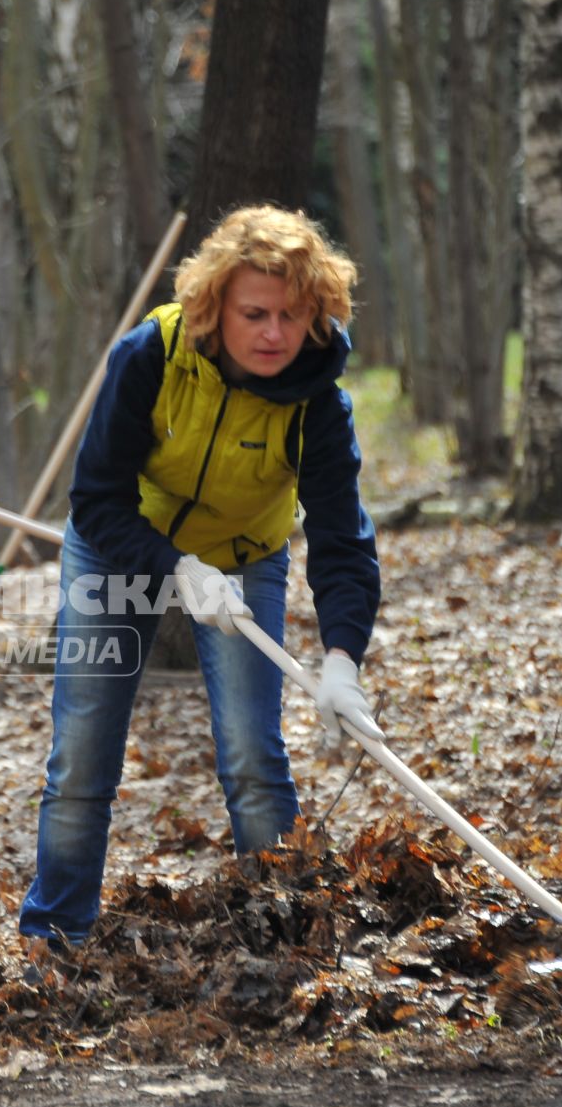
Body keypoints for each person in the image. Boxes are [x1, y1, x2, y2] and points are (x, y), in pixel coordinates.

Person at [20, 205, 384, 955]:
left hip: (245, 556)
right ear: (216, 304)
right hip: (118, 549)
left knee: (254, 755)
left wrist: (344, 660)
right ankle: (55, 936)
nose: (275, 334)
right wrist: (175, 567)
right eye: (256, 313)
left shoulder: (319, 401)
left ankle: (286, 936)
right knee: (82, 751)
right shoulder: (151, 354)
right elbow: (95, 498)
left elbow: (344, 540)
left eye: (292, 314)